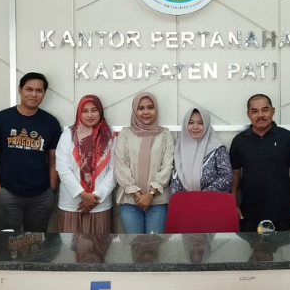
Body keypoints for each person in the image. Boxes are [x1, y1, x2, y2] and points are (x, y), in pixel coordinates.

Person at [0, 72, 61, 232]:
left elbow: (54, 160)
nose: (34, 94)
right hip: (8, 194)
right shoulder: (0, 119)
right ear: (20, 90)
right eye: (29, 89)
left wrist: (51, 190)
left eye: (39, 91)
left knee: (37, 242)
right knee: (6, 242)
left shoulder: (51, 123)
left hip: (41, 196)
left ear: (44, 93)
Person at [230, 94, 290, 232]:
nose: (260, 115)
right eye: (254, 111)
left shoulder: (288, 138)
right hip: (248, 210)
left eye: (265, 110)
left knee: (280, 245)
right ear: (248, 114)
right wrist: (232, 205)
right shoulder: (239, 141)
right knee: (250, 245)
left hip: (281, 210)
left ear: (273, 111)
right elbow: (234, 174)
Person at [113, 92, 174, 234]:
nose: (146, 112)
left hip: (157, 201)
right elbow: (120, 165)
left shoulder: (165, 134)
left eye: (150, 107)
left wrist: (151, 194)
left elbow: (168, 166)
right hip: (130, 200)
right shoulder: (125, 134)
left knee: (154, 243)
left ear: (156, 109)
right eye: (141, 108)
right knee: (135, 243)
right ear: (135, 111)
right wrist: (136, 193)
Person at [55, 95, 115, 235]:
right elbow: (63, 168)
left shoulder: (110, 137)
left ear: (100, 112)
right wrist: (82, 194)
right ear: (79, 113)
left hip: (99, 204)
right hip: (72, 204)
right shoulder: (68, 135)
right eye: (85, 111)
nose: (89, 115)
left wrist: (96, 196)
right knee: (70, 248)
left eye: (94, 110)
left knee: (99, 246)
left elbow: (114, 171)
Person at [171, 106, 232, 194]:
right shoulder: (178, 148)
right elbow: (174, 180)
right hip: (185, 200)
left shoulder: (218, 149)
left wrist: (203, 194)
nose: (195, 127)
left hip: (211, 199)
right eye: (191, 123)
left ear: (206, 125)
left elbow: (226, 177)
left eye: (200, 123)